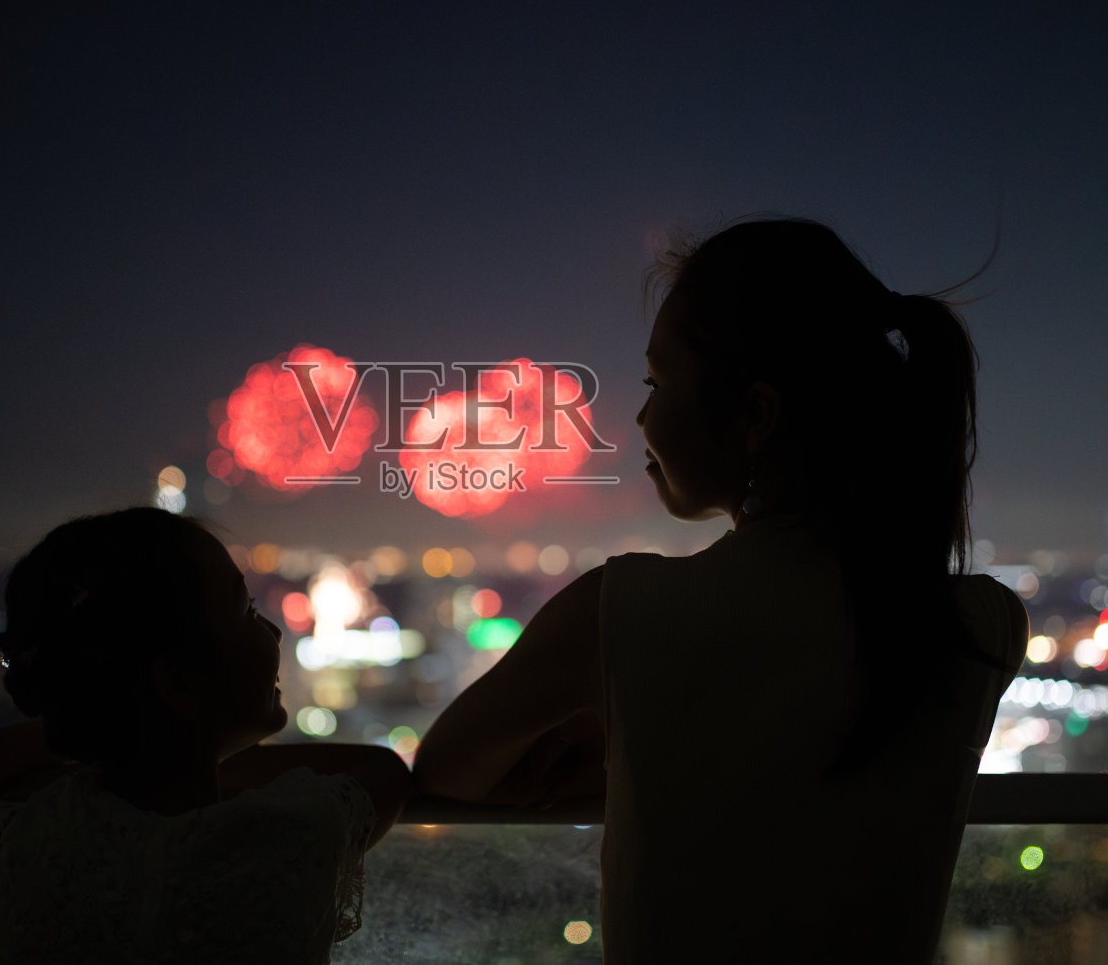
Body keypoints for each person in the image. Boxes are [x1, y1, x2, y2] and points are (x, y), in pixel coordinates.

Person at [413, 218, 1029, 962]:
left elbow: (446, 769)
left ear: (755, 415)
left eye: (657, 381)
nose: (641, 415)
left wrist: (620, 754)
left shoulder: (617, 612)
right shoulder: (981, 624)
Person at [0, 507, 410, 963]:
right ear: (178, 680)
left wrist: (86, 735)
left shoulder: (32, 847)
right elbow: (380, 773)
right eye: (245, 611)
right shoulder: (291, 831)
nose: (273, 629)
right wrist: (204, 754)